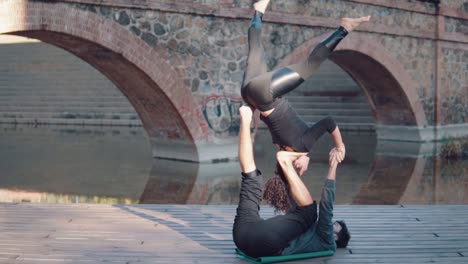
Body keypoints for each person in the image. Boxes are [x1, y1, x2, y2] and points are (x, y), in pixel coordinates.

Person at [240, 0, 370, 184]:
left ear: (297, 165)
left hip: (266, 94)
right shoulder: (280, 146)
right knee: (255, 49)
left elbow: (329, 122)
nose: (306, 169)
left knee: (309, 66)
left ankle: (344, 28)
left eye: (301, 170)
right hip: (249, 95)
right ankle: (258, 12)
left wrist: (339, 146)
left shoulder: (303, 144)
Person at [232, 105, 350, 258]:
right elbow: (292, 200)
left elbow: (326, 207)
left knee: (310, 213)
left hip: (266, 242)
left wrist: (333, 166)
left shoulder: (328, 241)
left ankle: (289, 158)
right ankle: (245, 119)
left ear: (335, 237)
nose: (330, 223)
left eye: (335, 227)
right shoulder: (299, 230)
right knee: (250, 177)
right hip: (241, 236)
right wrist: (294, 174)